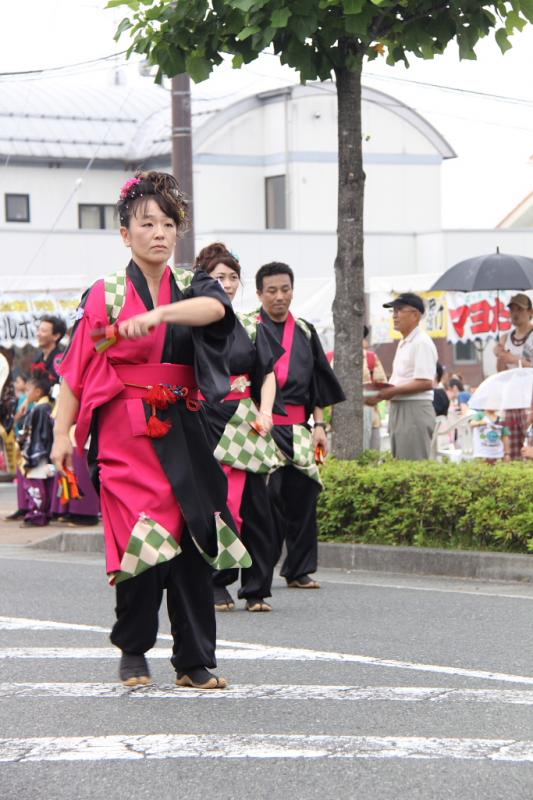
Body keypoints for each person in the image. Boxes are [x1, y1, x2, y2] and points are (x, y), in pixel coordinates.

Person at [51, 170, 244, 690]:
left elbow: (217, 309)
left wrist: (159, 316)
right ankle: (133, 650)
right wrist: (62, 434)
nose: (159, 232)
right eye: (146, 223)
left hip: (186, 425)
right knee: (143, 541)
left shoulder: (190, 285)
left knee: (192, 541)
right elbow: (76, 368)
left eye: (168, 223)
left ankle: (194, 660)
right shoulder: (106, 293)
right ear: (125, 234)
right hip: (125, 434)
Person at [195, 244, 283, 613]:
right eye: (219, 277)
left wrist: (265, 411)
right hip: (205, 418)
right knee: (217, 504)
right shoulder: (193, 324)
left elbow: (267, 373)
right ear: (204, 281)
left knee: (257, 506)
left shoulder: (250, 324)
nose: (228, 284)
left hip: (245, 420)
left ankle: (257, 588)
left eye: (233, 278)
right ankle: (216, 583)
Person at [255, 262, 345, 590]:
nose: (279, 297)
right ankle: (258, 573)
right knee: (268, 499)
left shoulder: (306, 331)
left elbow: (317, 383)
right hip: (262, 427)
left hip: (300, 426)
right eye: (272, 291)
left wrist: (319, 424)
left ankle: (299, 569)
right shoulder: (249, 328)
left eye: (285, 289)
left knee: (304, 496)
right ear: (259, 294)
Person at [369, 292, 437, 460]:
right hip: (400, 406)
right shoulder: (405, 342)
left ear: (415, 315)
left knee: (413, 467)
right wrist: (381, 392)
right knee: (400, 462)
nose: (394, 316)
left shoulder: (421, 342)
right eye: (393, 312)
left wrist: (389, 392)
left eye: (399, 310)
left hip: (414, 409)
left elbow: (426, 382)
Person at [494, 293, 533, 460]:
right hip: (511, 396)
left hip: (530, 396)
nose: (515, 314)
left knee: (529, 444)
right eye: (512, 310)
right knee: (511, 445)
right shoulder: (505, 337)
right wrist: (501, 356)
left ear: (530, 312)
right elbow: (501, 372)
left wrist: (514, 359)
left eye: (520, 309)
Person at [17, 372, 55, 526]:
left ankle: (36, 515)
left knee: (36, 486)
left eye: (28, 390)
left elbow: (39, 435)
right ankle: (42, 514)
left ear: (38, 392)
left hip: (37, 453)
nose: (26, 394)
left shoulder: (41, 408)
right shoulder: (44, 407)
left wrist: (32, 452)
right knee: (41, 485)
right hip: (41, 452)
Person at [362, 325, 387, 450]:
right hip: (337, 423)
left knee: (371, 460)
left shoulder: (371, 358)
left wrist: (367, 399)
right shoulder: (333, 357)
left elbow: (383, 386)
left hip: (371, 418)